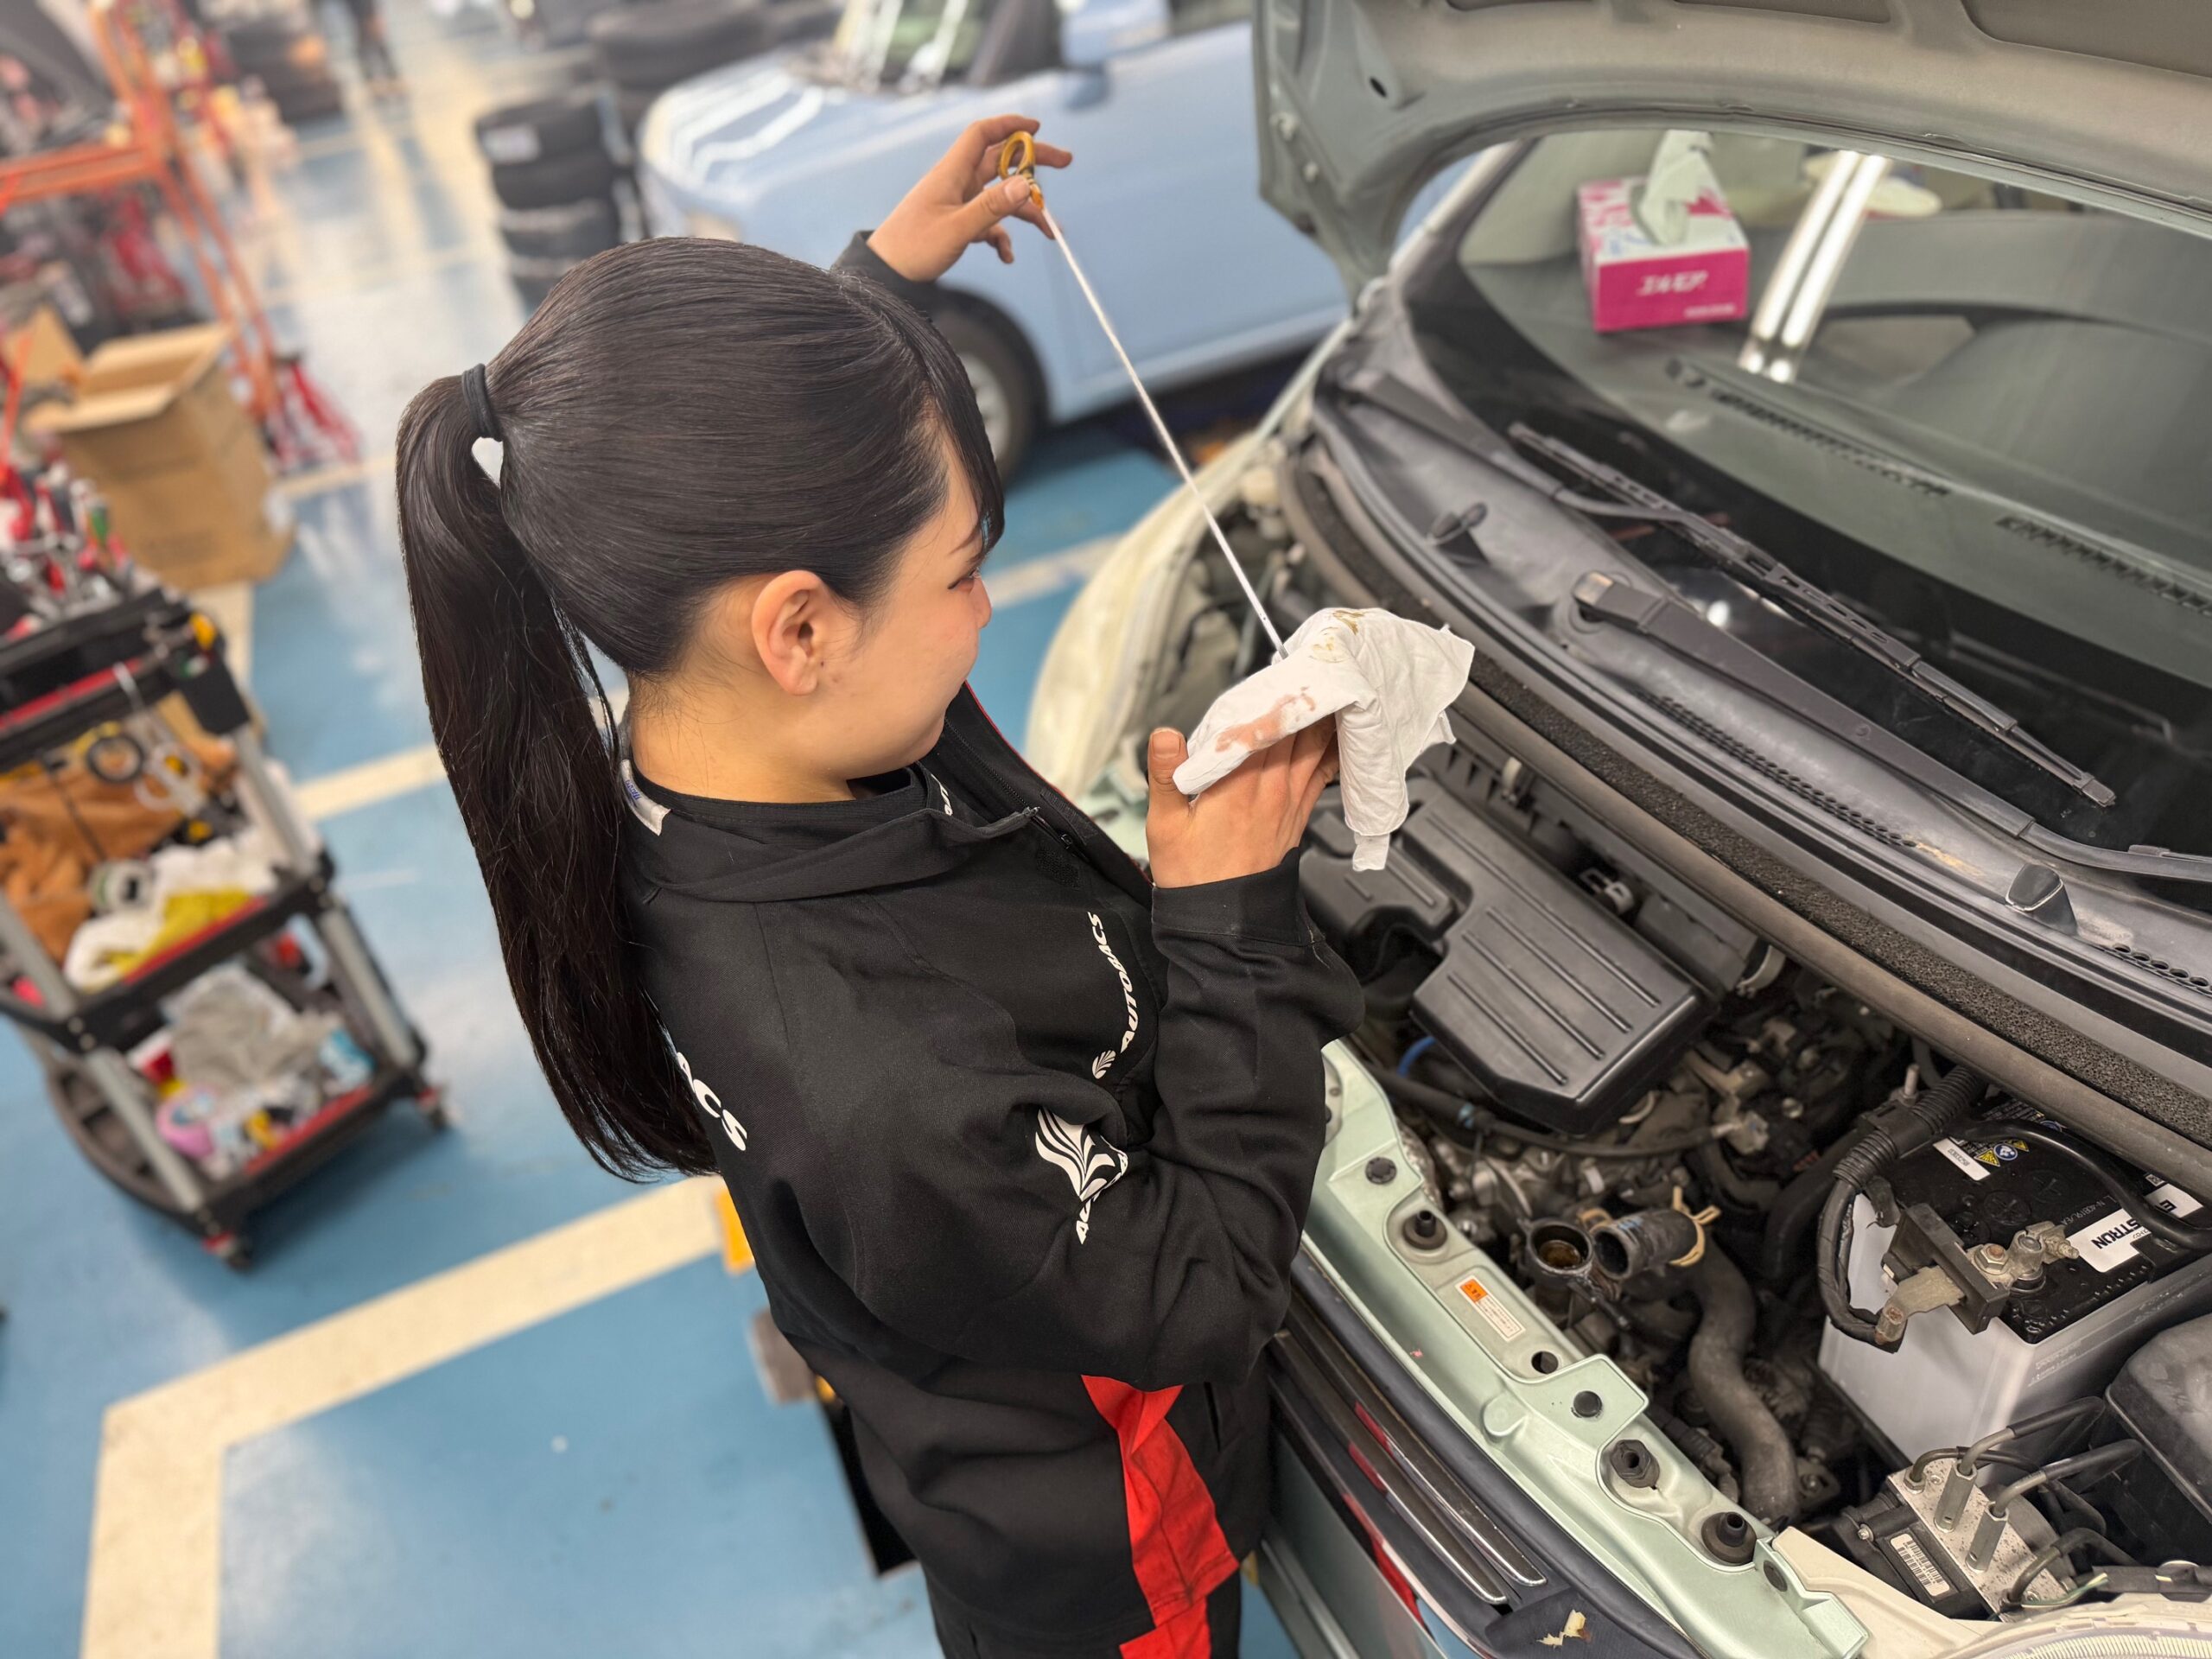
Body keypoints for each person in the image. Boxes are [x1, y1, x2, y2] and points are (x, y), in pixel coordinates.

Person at [396, 117, 1360, 1658]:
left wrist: (874, 298)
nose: (985, 609)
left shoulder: (722, 752)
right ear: (800, 630)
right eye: (966, 570)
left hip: (979, 1394)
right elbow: (1198, 1297)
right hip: (1111, 1555)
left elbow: (801, 526)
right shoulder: (879, 1079)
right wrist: (1230, 923)